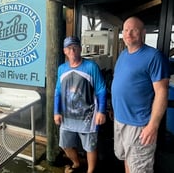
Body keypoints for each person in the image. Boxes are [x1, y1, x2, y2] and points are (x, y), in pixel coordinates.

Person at [111, 16, 170, 173]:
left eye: (134, 30)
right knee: (127, 160)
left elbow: (162, 93)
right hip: (120, 120)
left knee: (140, 168)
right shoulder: (123, 55)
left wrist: (153, 126)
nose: (128, 33)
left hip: (139, 125)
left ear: (143, 32)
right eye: (126, 30)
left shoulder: (154, 57)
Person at [54, 36, 107, 173]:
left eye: (75, 47)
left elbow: (101, 89)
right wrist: (56, 111)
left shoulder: (91, 66)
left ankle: (90, 171)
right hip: (67, 115)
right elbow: (58, 92)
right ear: (64, 51)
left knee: (90, 147)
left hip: (88, 116)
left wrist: (101, 111)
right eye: (69, 48)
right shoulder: (61, 69)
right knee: (65, 144)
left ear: (80, 49)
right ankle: (76, 163)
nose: (72, 50)